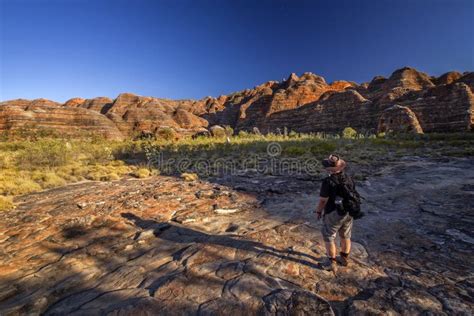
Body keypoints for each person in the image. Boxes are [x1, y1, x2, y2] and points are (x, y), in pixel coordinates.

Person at [315, 154, 354, 272]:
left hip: (333, 212)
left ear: (328, 169)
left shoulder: (328, 181)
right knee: (345, 235)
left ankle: (331, 262)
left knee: (329, 236)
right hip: (349, 211)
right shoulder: (348, 177)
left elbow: (323, 201)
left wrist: (318, 211)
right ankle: (344, 258)